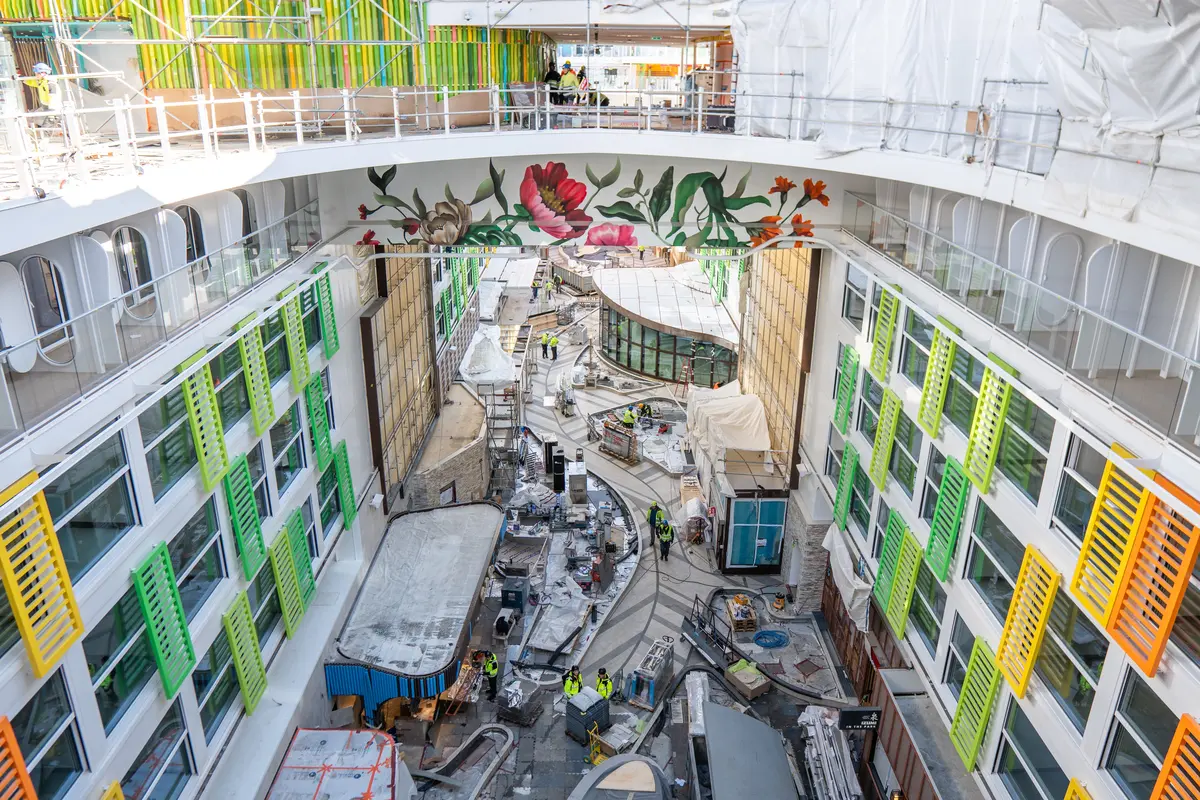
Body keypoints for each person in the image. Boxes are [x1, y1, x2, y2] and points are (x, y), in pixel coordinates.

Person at [21, 63, 62, 128]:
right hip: (46, 106)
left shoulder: (50, 83)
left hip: (52, 108)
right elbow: (33, 82)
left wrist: (52, 110)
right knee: (32, 117)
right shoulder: (42, 81)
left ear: (43, 73)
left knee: (48, 125)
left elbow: (54, 96)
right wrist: (23, 79)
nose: (36, 75)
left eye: (37, 73)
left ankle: (48, 135)